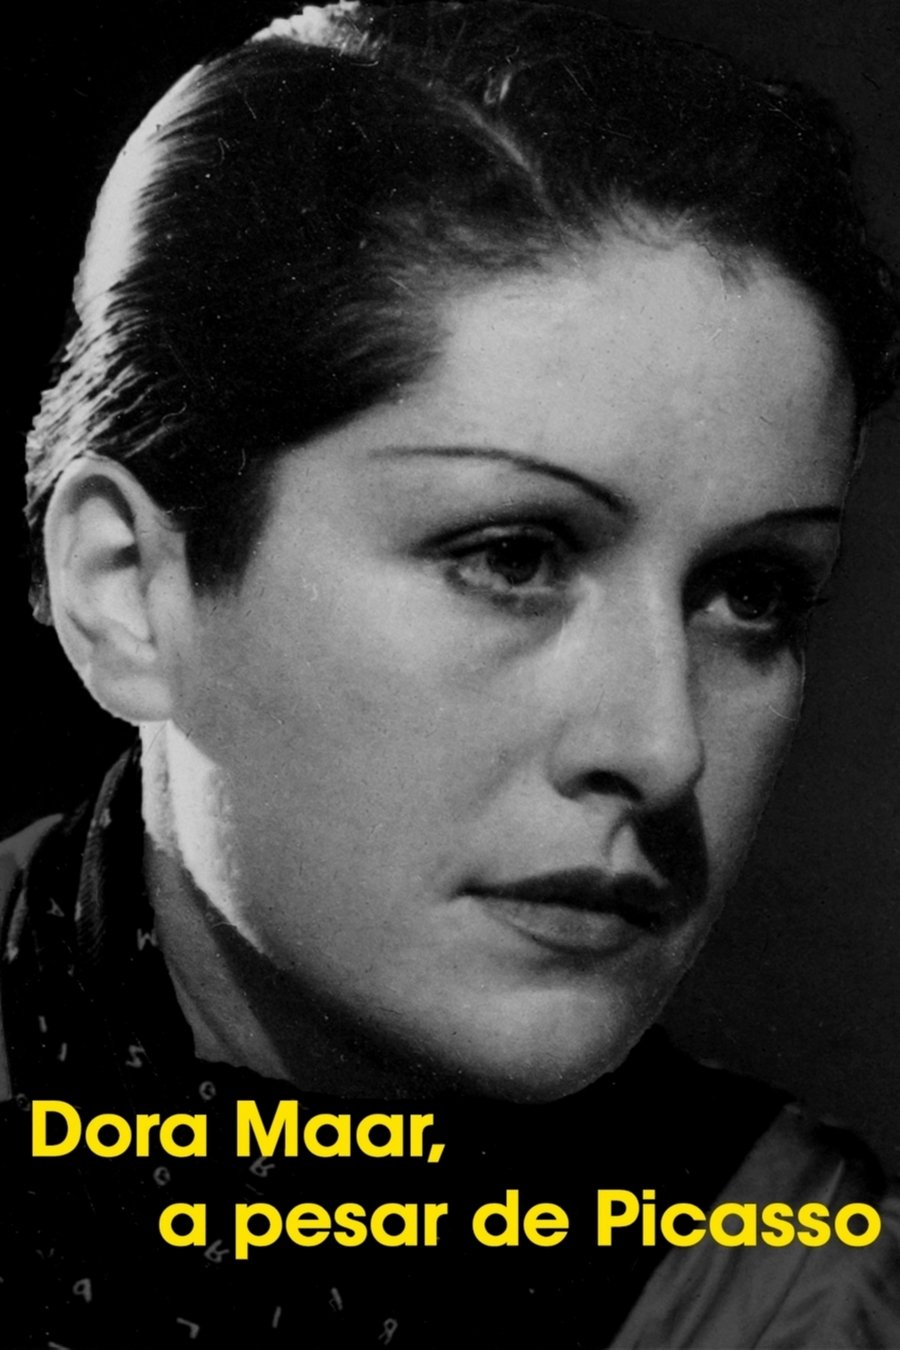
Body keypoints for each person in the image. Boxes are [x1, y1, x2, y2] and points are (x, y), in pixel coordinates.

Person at [2, 2, 898, 1345]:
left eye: (750, 592)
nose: (663, 749)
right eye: (512, 555)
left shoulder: (797, 1280)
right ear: (128, 590)